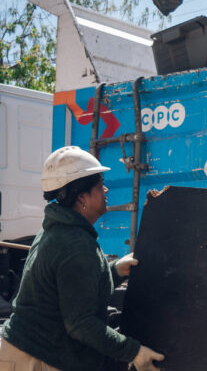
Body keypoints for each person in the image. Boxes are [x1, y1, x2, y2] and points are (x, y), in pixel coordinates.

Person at [0, 146, 164, 371]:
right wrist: (133, 352)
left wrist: (116, 270)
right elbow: (80, 324)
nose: (106, 189)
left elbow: (73, 290)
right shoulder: (74, 245)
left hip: (28, 351)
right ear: (82, 198)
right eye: (99, 185)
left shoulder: (59, 229)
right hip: (33, 358)